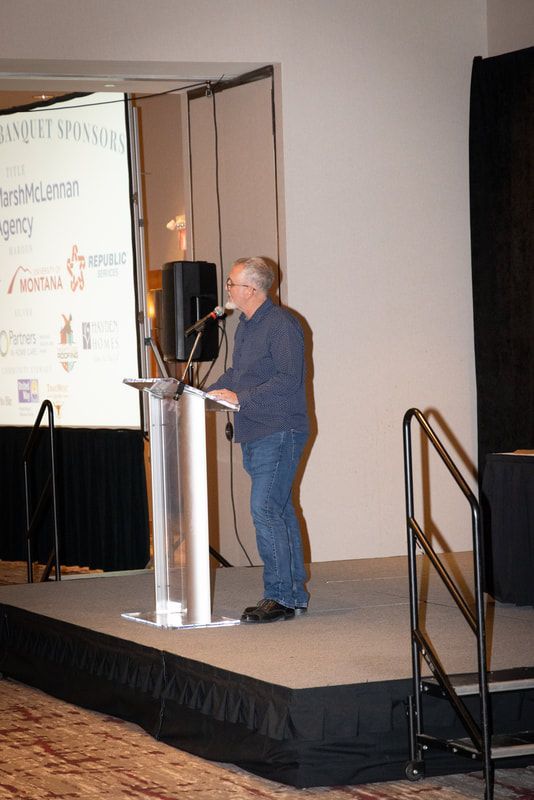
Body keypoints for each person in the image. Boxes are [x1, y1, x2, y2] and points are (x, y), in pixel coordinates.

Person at [207, 257, 310, 623]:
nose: (227, 289)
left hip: (280, 430)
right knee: (278, 510)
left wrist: (241, 398)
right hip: (255, 431)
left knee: (264, 509)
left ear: (251, 289)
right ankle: (293, 595)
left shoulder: (281, 324)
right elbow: (239, 374)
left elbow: (288, 379)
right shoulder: (246, 326)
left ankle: (279, 596)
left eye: (231, 283)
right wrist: (201, 394)